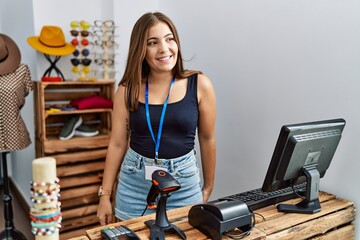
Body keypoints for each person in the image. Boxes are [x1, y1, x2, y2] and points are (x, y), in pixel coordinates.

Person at [97, 12, 216, 225]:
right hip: (135, 182)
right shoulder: (127, 90)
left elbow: (207, 139)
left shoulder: (199, 84)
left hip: (184, 182)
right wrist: (104, 195)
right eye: (153, 42)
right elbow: (117, 144)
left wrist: (207, 187)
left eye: (169, 39)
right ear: (140, 50)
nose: (164, 48)